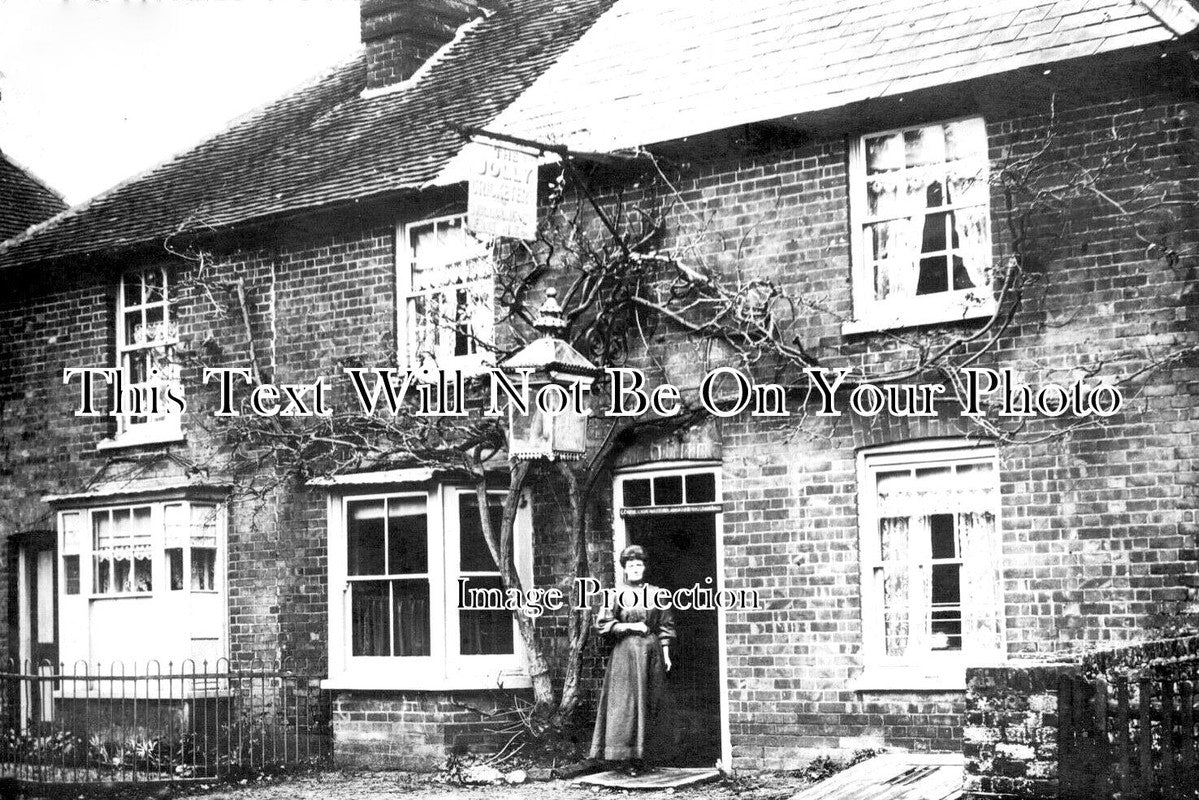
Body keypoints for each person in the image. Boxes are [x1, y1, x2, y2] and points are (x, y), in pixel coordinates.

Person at [588, 544, 676, 776]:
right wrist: (630, 626)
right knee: (626, 705)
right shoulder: (615, 594)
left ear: (644, 567)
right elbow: (602, 625)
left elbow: (666, 625)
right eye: (631, 566)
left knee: (650, 701)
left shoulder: (658, 593)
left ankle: (646, 757)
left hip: (652, 655)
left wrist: (666, 654)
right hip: (625, 655)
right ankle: (626, 759)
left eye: (639, 565)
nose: (636, 569)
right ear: (625, 569)